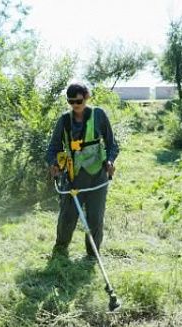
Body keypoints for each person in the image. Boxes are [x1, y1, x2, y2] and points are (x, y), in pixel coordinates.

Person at [46, 83, 119, 258]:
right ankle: (60, 252)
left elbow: (112, 145)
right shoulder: (64, 120)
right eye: (70, 102)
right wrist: (54, 163)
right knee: (67, 218)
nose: (75, 105)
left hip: (97, 179)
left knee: (95, 219)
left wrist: (109, 161)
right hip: (73, 177)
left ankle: (92, 255)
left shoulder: (99, 115)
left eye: (78, 101)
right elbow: (53, 148)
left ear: (86, 97)